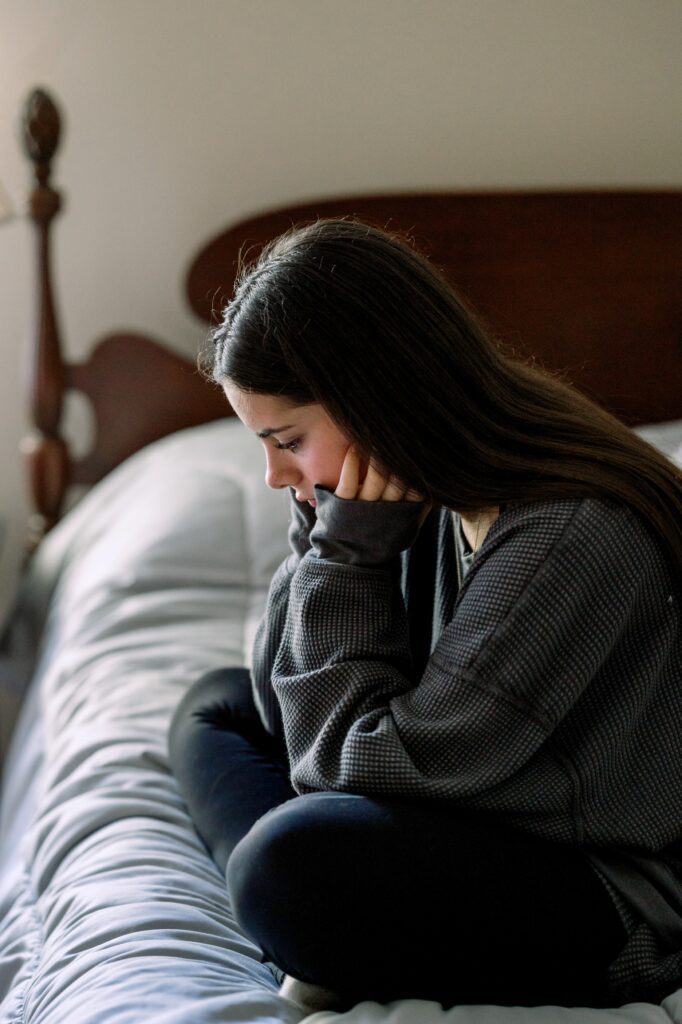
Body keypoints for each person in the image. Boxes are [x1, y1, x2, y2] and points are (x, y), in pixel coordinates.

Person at [168, 217, 682, 1014]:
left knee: (284, 861)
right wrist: (324, 548)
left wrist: (346, 565)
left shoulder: (569, 538)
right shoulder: (419, 492)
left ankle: (309, 918)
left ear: (377, 401)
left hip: (600, 884)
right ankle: (317, 923)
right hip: (457, 804)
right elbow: (281, 707)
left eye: (288, 441)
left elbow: (366, 771)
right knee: (214, 705)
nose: (273, 475)